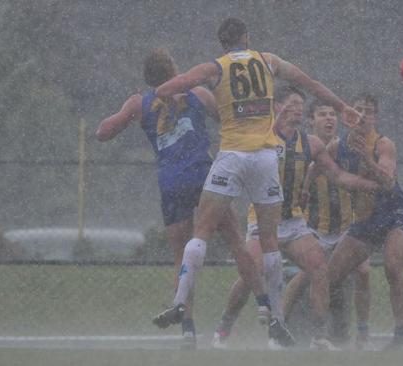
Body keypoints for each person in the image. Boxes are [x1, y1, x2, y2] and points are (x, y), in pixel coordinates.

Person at [152, 18, 363, 341]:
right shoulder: (268, 61)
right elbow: (309, 83)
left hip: (232, 155)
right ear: (246, 38)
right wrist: (341, 106)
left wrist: (171, 98)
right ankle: (277, 317)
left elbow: (167, 88)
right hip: (265, 157)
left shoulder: (215, 67)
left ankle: (180, 302)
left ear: (222, 43)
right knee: (269, 242)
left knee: (201, 233)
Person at [96, 48, 263, 348]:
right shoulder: (197, 92)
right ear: (175, 69)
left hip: (171, 182)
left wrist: (129, 113)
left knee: (181, 255)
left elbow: (102, 132)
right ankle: (268, 307)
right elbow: (227, 121)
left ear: (149, 78)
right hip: (203, 173)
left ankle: (187, 328)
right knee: (236, 239)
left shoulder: (140, 102)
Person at [211, 86, 378, 350]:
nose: (298, 108)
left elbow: (336, 175)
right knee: (251, 273)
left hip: (294, 223)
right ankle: (223, 330)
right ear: (277, 106)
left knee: (319, 269)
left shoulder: (310, 143)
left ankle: (318, 336)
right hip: (264, 221)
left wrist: (368, 185)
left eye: (301, 103)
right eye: (292, 103)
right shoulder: (262, 138)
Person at [281, 98, 373, 350]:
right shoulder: (303, 145)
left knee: (363, 271)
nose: (329, 118)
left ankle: (363, 334)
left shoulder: (343, 147)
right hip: (315, 229)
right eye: (322, 114)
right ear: (311, 120)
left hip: (345, 227)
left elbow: (353, 175)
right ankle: (278, 325)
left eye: (332, 114)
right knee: (303, 277)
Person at [325, 93, 403, 351]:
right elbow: (318, 166)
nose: (362, 115)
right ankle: (331, 334)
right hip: (365, 220)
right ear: (349, 116)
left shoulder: (383, 144)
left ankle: (401, 338)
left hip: (394, 215)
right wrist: (306, 186)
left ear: (375, 117)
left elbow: (387, 181)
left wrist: (366, 158)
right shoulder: (336, 146)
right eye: (357, 110)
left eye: (368, 111)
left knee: (393, 268)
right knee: (331, 276)